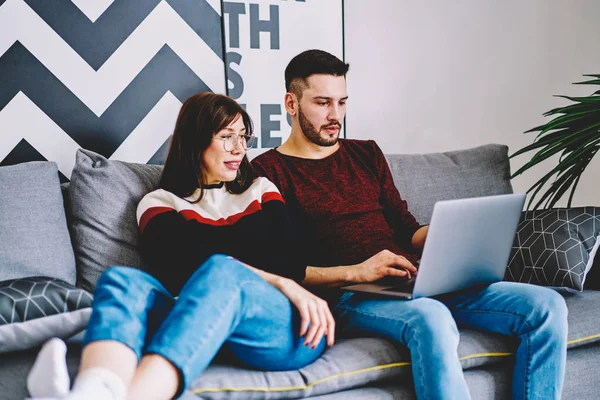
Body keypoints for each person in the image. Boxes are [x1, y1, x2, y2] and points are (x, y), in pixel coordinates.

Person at [252, 49, 569, 400]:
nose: (335, 115)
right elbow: (281, 268)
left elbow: (407, 229)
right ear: (291, 103)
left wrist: (449, 239)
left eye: (342, 102)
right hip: (349, 296)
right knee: (431, 317)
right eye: (323, 103)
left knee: (546, 306)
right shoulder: (268, 172)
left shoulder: (366, 153)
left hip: (412, 280)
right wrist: (359, 271)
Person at [26, 92, 335, 400]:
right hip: (202, 320)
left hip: (285, 326)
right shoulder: (159, 202)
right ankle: (94, 389)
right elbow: (180, 270)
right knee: (120, 279)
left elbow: (289, 260)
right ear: (195, 140)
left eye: (243, 136)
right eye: (227, 136)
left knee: (221, 270)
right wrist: (271, 273)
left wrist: (282, 281)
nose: (240, 148)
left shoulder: (260, 189)